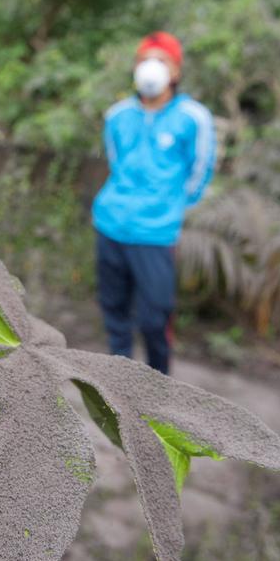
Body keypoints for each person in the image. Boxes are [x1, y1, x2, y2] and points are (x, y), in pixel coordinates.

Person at [92, 31, 215, 374]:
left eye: (160, 61)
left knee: (154, 317)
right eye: (145, 60)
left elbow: (200, 170)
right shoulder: (117, 115)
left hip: (156, 235)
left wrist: (169, 206)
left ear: (175, 71)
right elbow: (115, 162)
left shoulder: (193, 117)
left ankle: (160, 389)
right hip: (111, 224)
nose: (151, 68)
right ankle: (118, 383)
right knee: (114, 311)